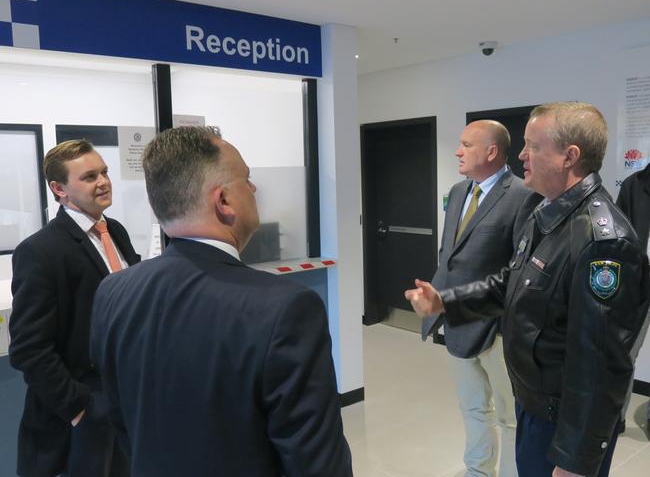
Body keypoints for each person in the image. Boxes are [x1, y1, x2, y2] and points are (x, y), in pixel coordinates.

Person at [89, 126, 352, 477]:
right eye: (247, 179)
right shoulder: (285, 309)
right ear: (224, 201)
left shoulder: (113, 292)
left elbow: (121, 420)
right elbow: (316, 462)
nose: (255, 189)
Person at [406, 102, 649, 477]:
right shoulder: (550, 215)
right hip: (534, 406)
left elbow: (600, 368)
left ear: (570, 157)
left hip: (562, 427)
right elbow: (510, 283)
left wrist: (574, 461)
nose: (521, 155)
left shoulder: (603, 242)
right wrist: (445, 302)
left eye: (533, 146)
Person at [9, 139, 140, 477]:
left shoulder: (117, 233)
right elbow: (28, 348)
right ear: (59, 189)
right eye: (90, 177)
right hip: (77, 415)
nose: (103, 182)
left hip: (123, 400)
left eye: (105, 172)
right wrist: (79, 408)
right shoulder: (40, 251)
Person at [422, 120, 538, 477]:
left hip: (496, 330)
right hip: (457, 322)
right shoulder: (459, 191)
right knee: (472, 408)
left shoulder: (522, 195)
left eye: (466, 144)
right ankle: (478, 470)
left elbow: (518, 273)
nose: (458, 150)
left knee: (509, 416)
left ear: (491, 152)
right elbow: (450, 254)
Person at [616, 162, 650, 439]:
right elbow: (617, 238)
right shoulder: (634, 185)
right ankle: (616, 417)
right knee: (626, 352)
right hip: (640, 286)